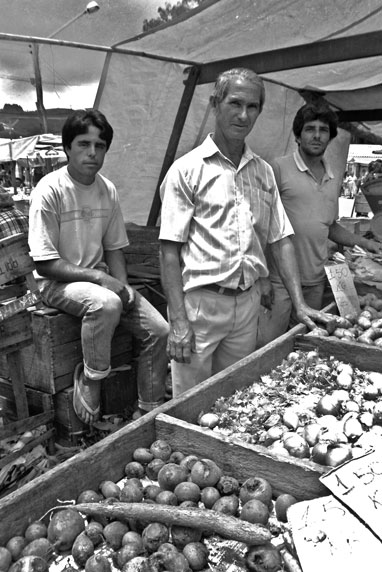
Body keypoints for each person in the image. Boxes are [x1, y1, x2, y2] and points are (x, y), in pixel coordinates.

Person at [159, 68, 333, 397]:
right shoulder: (188, 170)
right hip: (202, 306)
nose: (243, 115)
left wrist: (299, 304)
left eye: (252, 107)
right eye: (235, 103)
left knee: (234, 396)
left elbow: (281, 239)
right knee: (189, 401)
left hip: (248, 302)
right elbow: (169, 250)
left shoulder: (263, 172)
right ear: (215, 103)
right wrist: (179, 321)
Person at [28, 109, 169, 425]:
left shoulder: (107, 189)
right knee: (105, 303)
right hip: (56, 283)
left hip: (98, 280)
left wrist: (124, 286)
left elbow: (114, 248)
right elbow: (45, 263)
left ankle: (148, 409)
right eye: (83, 144)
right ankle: (91, 377)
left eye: (100, 145)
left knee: (159, 330)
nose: (92, 153)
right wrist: (103, 280)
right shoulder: (49, 189)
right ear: (67, 148)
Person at [257, 103, 381, 347]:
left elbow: (329, 226)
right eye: (309, 129)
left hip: (314, 281)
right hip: (279, 281)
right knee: (269, 346)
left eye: (323, 130)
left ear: (331, 136)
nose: (316, 135)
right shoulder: (277, 169)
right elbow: (260, 226)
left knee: (306, 345)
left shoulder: (333, 175)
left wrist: (365, 242)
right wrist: (261, 276)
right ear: (297, 136)